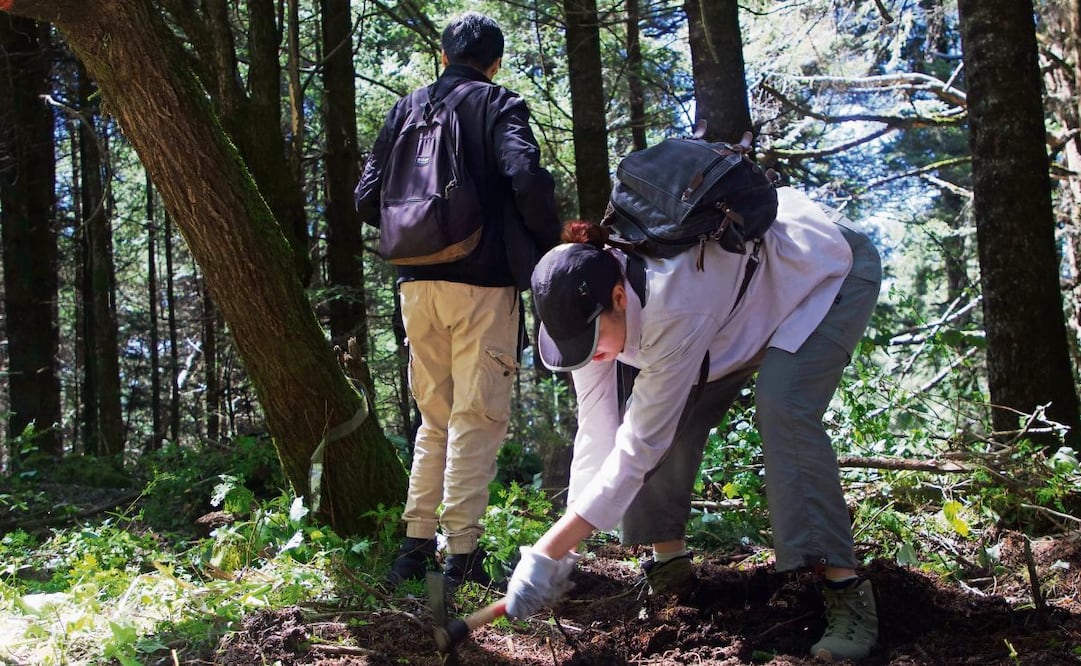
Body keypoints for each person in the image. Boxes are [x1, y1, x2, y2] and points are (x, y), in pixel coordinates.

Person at [504, 186, 883, 662]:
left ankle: (846, 593)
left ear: (619, 297)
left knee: (781, 405)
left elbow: (638, 447)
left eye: (593, 342)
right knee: (667, 418)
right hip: (738, 304)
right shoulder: (586, 305)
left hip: (822, 271)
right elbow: (598, 433)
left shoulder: (673, 304)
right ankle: (671, 571)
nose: (591, 354)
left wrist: (545, 551)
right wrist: (562, 555)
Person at [355, 11, 560, 589]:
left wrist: (419, 230)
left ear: (443, 57)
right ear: (494, 64)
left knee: (435, 418)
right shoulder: (499, 104)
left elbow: (366, 199)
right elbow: (525, 177)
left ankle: (414, 547)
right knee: (478, 415)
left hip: (415, 287)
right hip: (484, 286)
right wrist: (546, 247)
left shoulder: (405, 110)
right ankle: (462, 555)